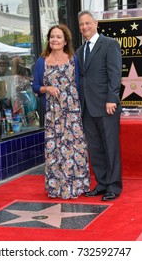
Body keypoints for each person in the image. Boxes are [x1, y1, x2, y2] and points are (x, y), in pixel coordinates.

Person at [32, 24, 90, 199]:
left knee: (75, 148)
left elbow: (79, 85)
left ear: (65, 41)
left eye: (58, 37)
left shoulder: (74, 59)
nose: (54, 40)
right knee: (55, 150)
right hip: (53, 113)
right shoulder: (42, 61)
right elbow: (35, 86)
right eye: (52, 37)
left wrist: (80, 108)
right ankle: (56, 188)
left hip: (71, 112)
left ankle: (76, 186)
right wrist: (46, 88)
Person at [76, 10, 122, 201]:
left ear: (96, 24)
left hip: (106, 105)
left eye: (87, 23)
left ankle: (114, 186)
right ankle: (102, 183)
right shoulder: (80, 51)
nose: (84, 27)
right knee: (95, 148)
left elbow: (115, 73)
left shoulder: (109, 44)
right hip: (87, 108)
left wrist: (112, 98)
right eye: (81, 24)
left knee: (110, 147)